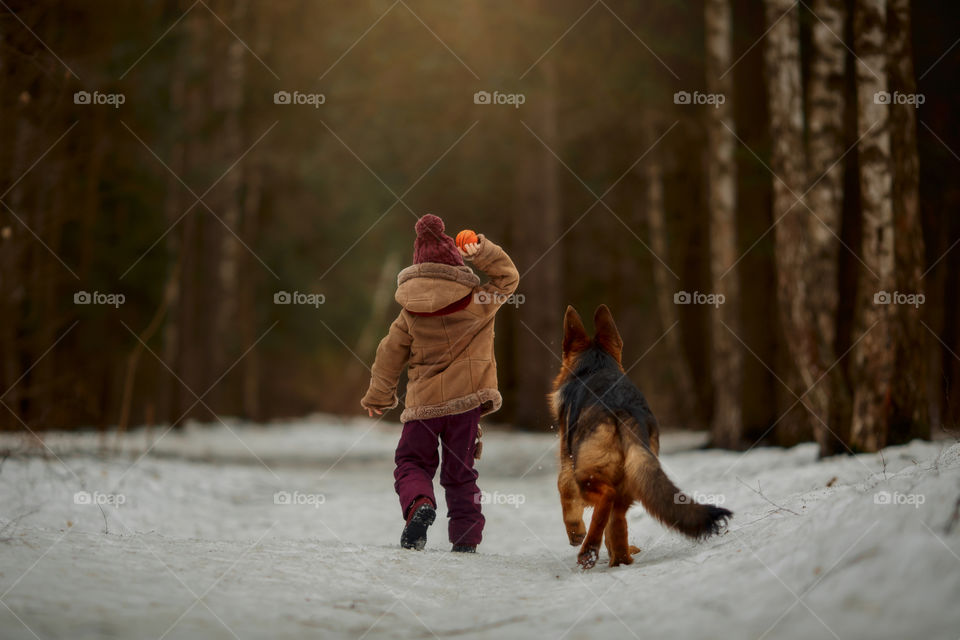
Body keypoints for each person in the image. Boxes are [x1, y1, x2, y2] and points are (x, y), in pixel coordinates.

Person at [361, 214, 519, 552]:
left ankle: (419, 504)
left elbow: (388, 355)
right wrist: (480, 250)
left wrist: (379, 395)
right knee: (460, 473)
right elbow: (508, 278)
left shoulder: (408, 314)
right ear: (456, 264)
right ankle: (466, 540)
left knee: (411, 463)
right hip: (466, 405)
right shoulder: (479, 302)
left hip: (423, 406)